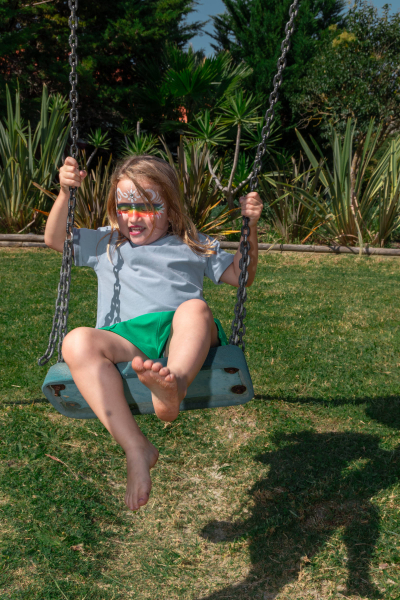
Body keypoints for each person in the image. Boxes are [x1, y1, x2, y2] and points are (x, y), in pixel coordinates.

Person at [44, 154, 262, 512]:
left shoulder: (194, 244)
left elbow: (242, 276)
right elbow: (55, 239)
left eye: (147, 207)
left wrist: (250, 226)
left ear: (171, 208)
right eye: (124, 206)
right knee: (77, 340)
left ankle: (172, 383)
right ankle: (136, 448)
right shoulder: (105, 243)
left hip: (182, 333)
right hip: (128, 339)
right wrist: (67, 192)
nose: (133, 217)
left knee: (195, 309)